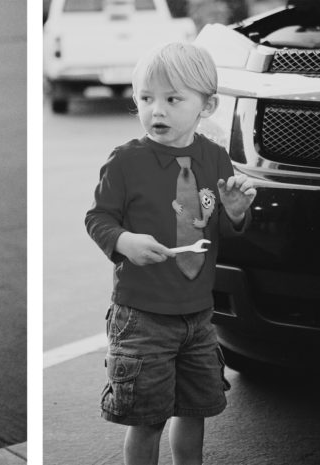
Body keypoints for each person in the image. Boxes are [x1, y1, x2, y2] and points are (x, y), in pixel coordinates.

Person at [85, 42, 257, 465]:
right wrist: (124, 241)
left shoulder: (215, 159)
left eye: (172, 99)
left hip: (198, 317)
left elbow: (222, 226)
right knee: (146, 420)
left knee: (193, 411)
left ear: (207, 105)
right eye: (145, 99)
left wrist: (236, 214)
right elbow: (98, 217)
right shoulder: (126, 162)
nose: (155, 110)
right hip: (142, 317)